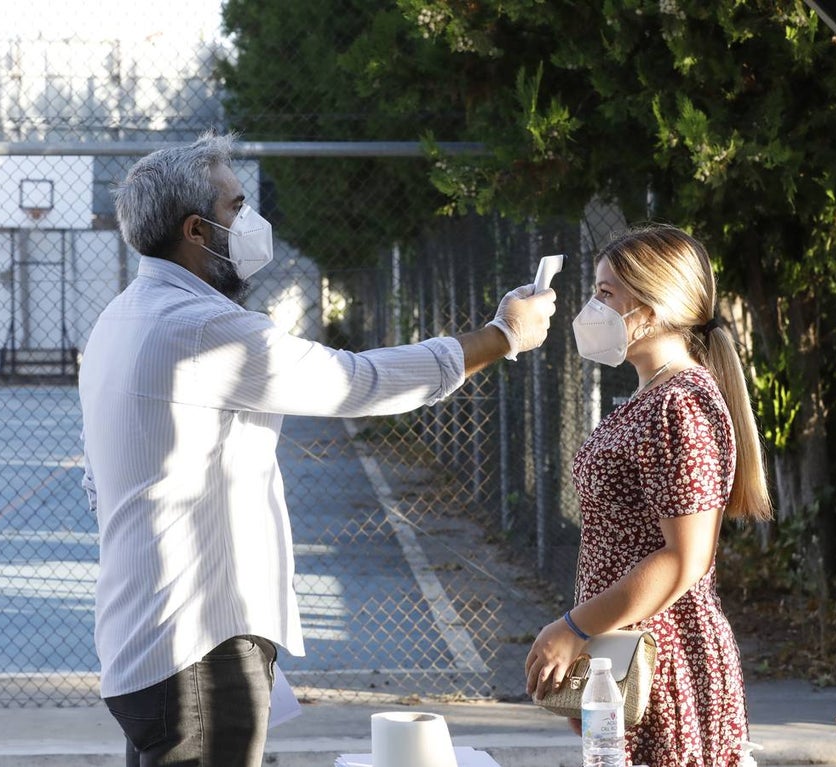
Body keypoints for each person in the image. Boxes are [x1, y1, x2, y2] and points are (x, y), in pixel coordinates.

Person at [78, 130, 557, 767]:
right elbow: (355, 381)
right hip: (198, 648)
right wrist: (500, 337)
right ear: (196, 230)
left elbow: (96, 485)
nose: (250, 221)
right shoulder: (202, 328)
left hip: (146, 641)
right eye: (235, 207)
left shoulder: (121, 319)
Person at [524, 224, 773, 767]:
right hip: (629, 660)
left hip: (666, 660)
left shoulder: (678, 406)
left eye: (606, 293)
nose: (592, 306)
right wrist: (591, 651)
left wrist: (574, 629)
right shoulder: (654, 395)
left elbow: (686, 559)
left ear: (654, 306)